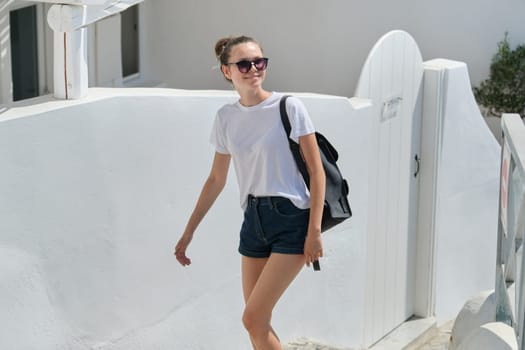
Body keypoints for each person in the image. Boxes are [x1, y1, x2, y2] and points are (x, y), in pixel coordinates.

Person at [174, 35, 325, 350]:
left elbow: (316, 170)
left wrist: (314, 231)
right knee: (257, 323)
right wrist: (189, 232)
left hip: (292, 219)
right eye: (244, 63)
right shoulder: (226, 118)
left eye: (260, 62)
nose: (254, 68)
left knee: (252, 318)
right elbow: (216, 179)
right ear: (227, 71)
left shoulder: (289, 107)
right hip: (253, 221)